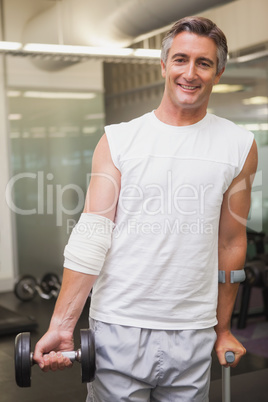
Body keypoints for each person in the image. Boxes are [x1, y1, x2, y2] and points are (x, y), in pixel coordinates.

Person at [34, 16, 258, 401]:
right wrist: (62, 323)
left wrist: (222, 328)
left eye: (203, 63)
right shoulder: (119, 140)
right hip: (119, 325)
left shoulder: (239, 146)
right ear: (163, 64)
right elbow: (93, 234)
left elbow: (231, 241)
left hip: (193, 328)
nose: (190, 73)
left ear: (218, 72)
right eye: (180, 59)